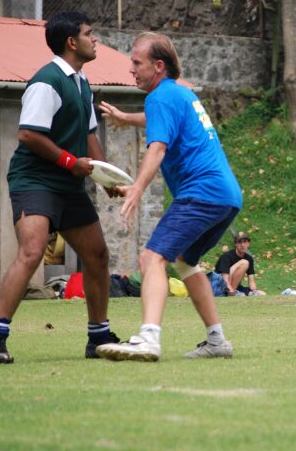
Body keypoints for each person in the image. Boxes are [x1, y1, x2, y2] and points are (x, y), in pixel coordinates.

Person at [0, 11, 120, 364]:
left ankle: (98, 337)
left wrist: (106, 178)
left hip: (68, 185)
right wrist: (73, 164)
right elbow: (28, 134)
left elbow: (89, 136)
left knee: (98, 255)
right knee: (33, 251)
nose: (95, 39)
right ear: (72, 42)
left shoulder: (82, 82)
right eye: (90, 33)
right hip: (35, 181)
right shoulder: (47, 80)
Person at [96, 32, 242, 362]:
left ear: (158, 66)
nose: (131, 69)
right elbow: (157, 121)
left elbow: (158, 148)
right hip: (226, 195)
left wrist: (137, 188)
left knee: (151, 259)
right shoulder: (180, 94)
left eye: (136, 62)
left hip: (201, 194)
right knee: (186, 262)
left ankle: (148, 338)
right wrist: (124, 118)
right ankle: (217, 340)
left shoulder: (160, 98)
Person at [215, 231, 265, 296]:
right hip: (221, 288)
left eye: (244, 242)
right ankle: (231, 294)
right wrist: (232, 292)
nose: (242, 245)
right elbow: (225, 280)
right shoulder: (226, 256)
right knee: (244, 263)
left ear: (248, 243)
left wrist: (254, 292)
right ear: (235, 244)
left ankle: (235, 293)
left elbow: (251, 282)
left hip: (236, 287)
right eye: (239, 242)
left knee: (262, 294)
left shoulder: (249, 258)